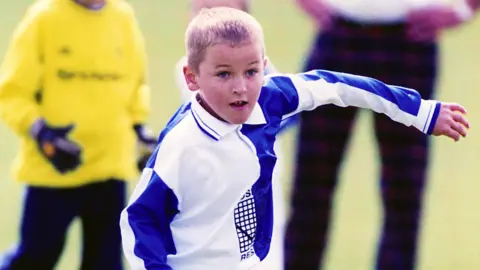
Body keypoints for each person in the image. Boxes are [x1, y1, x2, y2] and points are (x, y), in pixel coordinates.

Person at [120, 6, 469, 270]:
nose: (241, 87)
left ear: (265, 66)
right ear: (192, 77)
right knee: (312, 194)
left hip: (249, 262)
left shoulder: (271, 97)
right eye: (224, 74)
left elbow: (339, 86)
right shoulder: (182, 145)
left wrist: (420, 112)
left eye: (252, 71)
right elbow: (138, 221)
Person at [284, 0, 479, 269]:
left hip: (410, 38)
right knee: (311, 182)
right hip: (340, 34)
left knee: (403, 188)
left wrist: (464, 10)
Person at [0, 0, 157, 269]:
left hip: (110, 169)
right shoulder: (45, 18)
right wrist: (41, 133)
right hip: (54, 170)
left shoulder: (122, 17)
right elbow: (13, 93)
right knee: (35, 257)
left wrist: (139, 130)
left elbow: (135, 84)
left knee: (105, 263)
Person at [174, 1, 296, 269]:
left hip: (255, 187)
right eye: (204, 10)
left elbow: (291, 111)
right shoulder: (189, 68)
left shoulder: (261, 70)